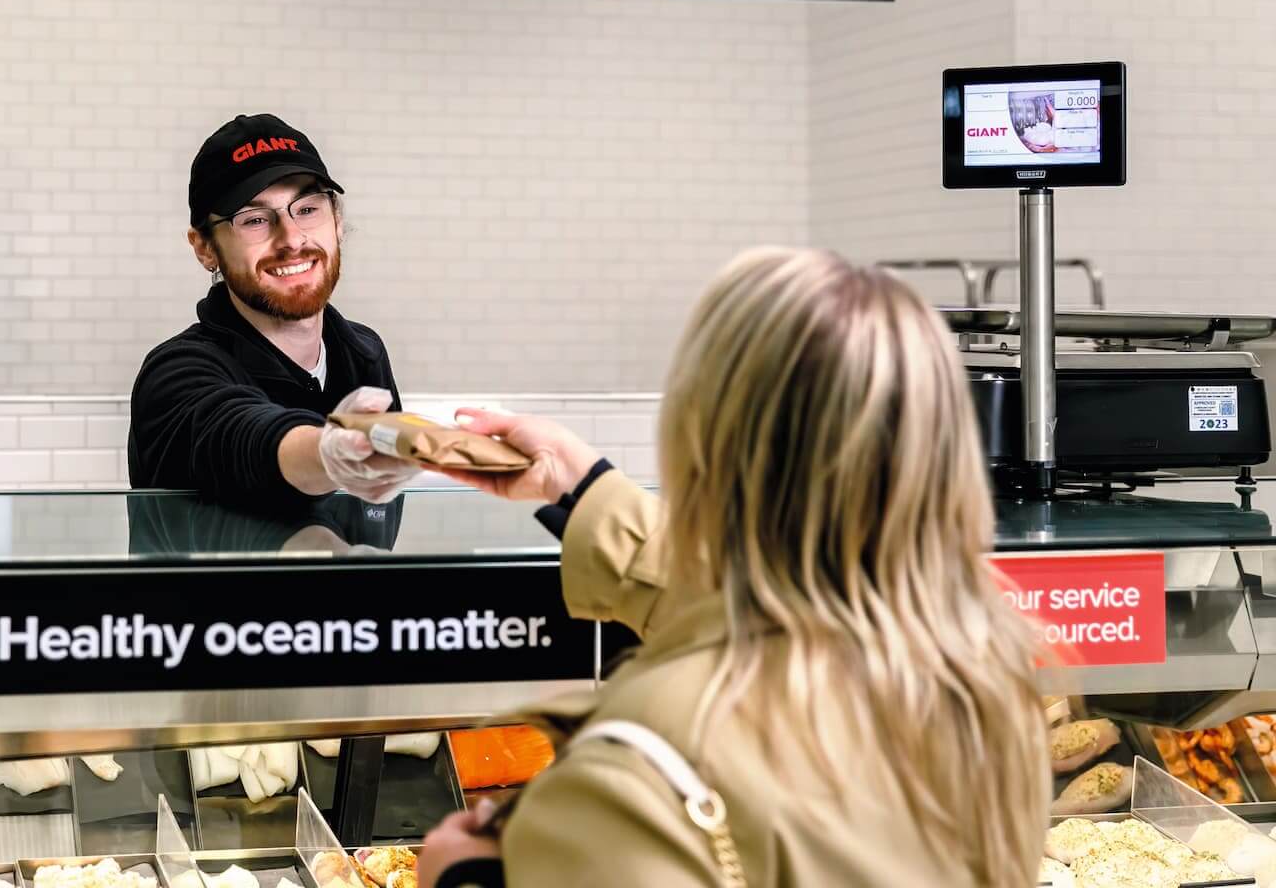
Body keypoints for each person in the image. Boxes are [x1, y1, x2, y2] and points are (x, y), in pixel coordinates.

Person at [419, 248, 1048, 888]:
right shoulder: (985, 686)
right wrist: (582, 485)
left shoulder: (639, 775)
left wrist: (463, 877)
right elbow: (766, 595)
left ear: (698, 443)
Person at [128, 114, 416, 506]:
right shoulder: (176, 373)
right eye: (256, 220)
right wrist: (326, 454)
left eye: (308, 208)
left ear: (337, 221)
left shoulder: (364, 352)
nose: (292, 239)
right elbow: (241, 437)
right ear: (205, 247)